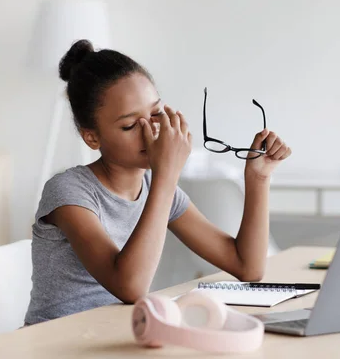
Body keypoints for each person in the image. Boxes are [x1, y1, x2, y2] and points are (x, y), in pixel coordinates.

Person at [24, 39, 292, 325]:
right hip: (57, 343)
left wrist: (258, 178)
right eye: (129, 125)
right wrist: (166, 174)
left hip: (117, 337)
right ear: (92, 137)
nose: (151, 130)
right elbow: (130, 287)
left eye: (155, 114)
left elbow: (248, 267)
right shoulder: (68, 192)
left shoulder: (156, 187)